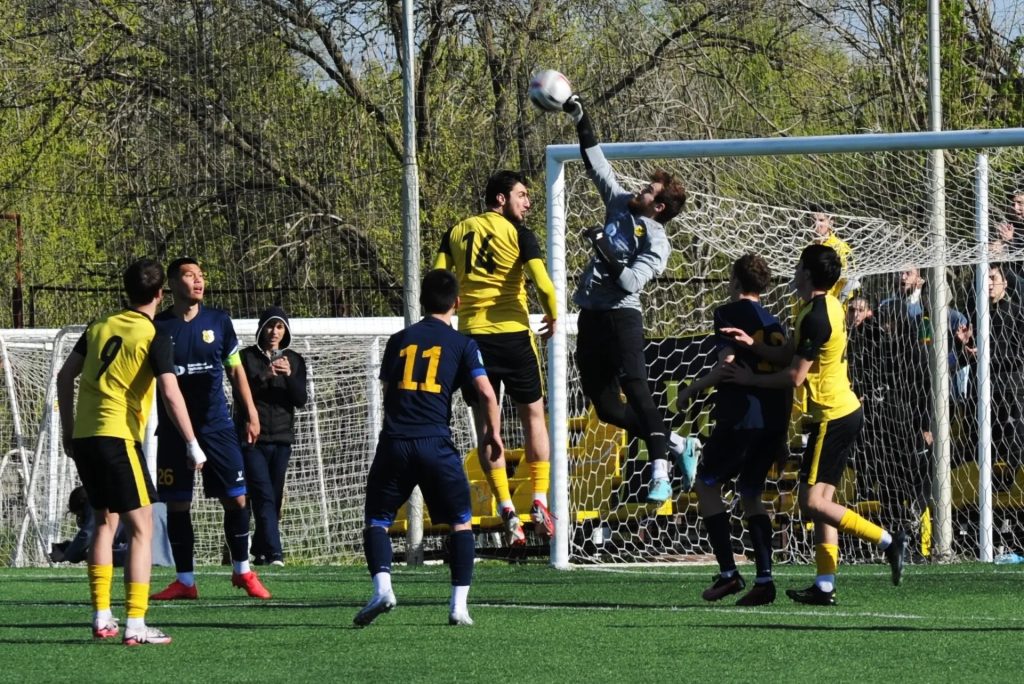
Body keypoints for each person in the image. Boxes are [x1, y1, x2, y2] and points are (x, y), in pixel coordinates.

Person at [721, 244, 907, 606]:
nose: (794, 270)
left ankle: (888, 541)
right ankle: (824, 584)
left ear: (806, 273)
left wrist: (750, 379)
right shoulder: (820, 306)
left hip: (833, 416)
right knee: (823, 501)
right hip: (841, 412)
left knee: (811, 503)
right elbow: (788, 354)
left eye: (798, 266)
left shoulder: (817, 316)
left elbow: (794, 376)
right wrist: (753, 345)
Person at [56, 257, 208, 646]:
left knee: (104, 522)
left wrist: (69, 431)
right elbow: (170, 393)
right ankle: (136, 624)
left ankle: (101, 617)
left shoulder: (99, 326)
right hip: (117, 437)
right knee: (142, 527)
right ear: (160, 293)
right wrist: (193, 443)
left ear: (127, 291)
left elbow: (65, 376)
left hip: (87, 436)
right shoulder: (153, 334)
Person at [354, 269, 502, 628]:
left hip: (395, 442)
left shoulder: (398, 340)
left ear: (421, 301)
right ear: (457, 303)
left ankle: (383, 590)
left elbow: (388, 392)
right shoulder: (463, 344)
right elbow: (486, 392)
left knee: (377, 520)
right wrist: (494, 434)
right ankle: (458, 607)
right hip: (436, 443)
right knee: (460, 523)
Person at [561, 94, 689, 504]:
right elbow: (596, 164)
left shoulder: (657, 240)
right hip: (591, 317)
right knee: (606, 409)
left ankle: (660, 475)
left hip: (622, 319)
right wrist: (581, 117)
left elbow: (632, 282)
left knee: (637, 391)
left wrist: (603, 248)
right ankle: (679, 443)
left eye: (648, 190)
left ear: (660, 206)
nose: (639, 190)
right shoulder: (619, 204)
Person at [434, 170, 557, 546]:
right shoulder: (520, 234)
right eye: (522, 195)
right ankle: (539, 499)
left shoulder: (456, 232)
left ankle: (506, 508)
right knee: (534, 418)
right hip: (514, 336)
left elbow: (437, 281)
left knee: (489, 427)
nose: (528, 203)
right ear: (501, 199)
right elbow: (543, 285)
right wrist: (552, 314)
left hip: (472, 340)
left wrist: (447, 317)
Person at [150, 257, 270, 601]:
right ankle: (185, 581)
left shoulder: (218, 321)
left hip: (217, 427)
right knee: (177, 504)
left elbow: (235, 369)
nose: (198, 281)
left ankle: (243, 571)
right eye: (190, 276)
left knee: (237, 498)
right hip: (174, 432)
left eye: (201, 275)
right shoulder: (158, 326)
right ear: (172, 284)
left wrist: (251, 412)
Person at [676, 254, 790, 606]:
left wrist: (692, 389)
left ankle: (728, 573)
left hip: (741, 417)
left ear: (736, 281)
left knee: (706, 484)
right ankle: (764, 580)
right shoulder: (774, 322)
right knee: (751, 493)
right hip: (772, 418)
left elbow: (726, 366)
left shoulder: (728, 313)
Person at [236, 306, 308, 566]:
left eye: (279, 327)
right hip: (253, 439)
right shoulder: (245, 358)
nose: (274, 332)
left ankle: (260, 550)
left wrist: (288, 376)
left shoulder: (295, 360)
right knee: (263, 494)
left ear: (285, 331)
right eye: (270, 326)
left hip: (282, 439)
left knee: (274, 497)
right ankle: (276, 553)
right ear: (261, 328)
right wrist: (264, 376)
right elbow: (240, 395)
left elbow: (300, 399)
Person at [986, 264, 1024, 474]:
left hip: (1011, 392)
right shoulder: (979, 315)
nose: (989, 283)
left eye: (993, 278)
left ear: (1006, 283)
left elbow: (1020, 355)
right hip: (984, 394)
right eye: (985, 278)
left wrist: (988, 356)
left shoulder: (1018, 313)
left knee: (1013, 448)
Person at [49, 486, 127, 566]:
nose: (80, 518)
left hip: (128, 551)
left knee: (96, 552)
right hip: (126, 546)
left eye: (79, 514)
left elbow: (87, 535)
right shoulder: (107, 495)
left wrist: (67, 554)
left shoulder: (93, 503)